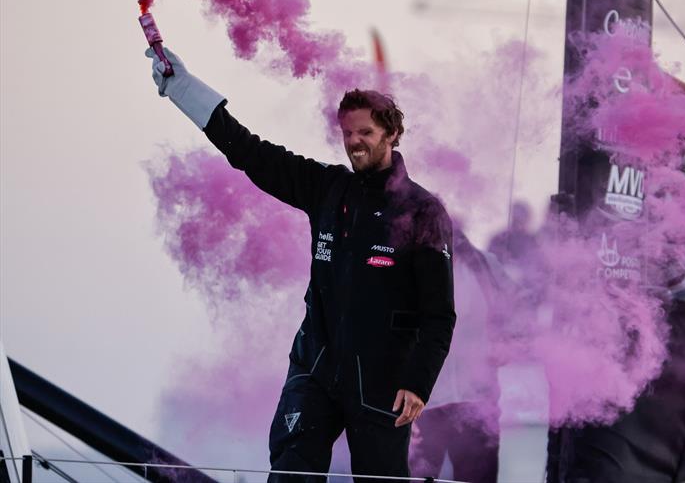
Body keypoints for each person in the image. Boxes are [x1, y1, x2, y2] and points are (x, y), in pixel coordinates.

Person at [144, 48, 456, 481]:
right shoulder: (328, 188)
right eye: (347, 133)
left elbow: (439, 314)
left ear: (393, 134)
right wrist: (182, 88)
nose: (354, 143)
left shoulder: (423, 211)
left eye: (365, 132)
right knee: (291, 471)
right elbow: (251, 153)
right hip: (316, 366)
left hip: (382, 383)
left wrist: (418, 383)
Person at [410, 227, 508, 483]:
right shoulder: (413, 266)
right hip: (423, 403)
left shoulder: (487, 265)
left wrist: (507, 343)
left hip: (477, 402)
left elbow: (515, 313)